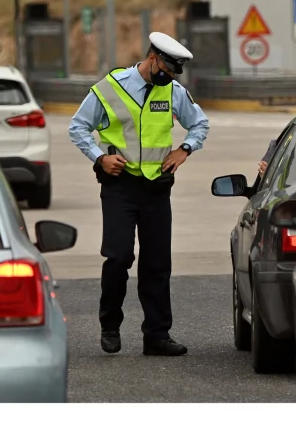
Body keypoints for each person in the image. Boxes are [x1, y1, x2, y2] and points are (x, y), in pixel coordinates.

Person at [67, 32, 210, 357]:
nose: (170, 77)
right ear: (153, 59)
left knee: (157, 263)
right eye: (168, 69)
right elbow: (78, 127)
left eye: (175, 73)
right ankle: (110, 325)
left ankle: (157, 336)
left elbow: (200, 124)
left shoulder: (172, 91)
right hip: (120, 186)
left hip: (157, 188)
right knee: (118, 257)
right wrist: (99, 157)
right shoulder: (111, 87)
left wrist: (184, 150)